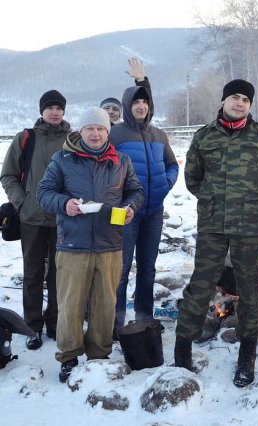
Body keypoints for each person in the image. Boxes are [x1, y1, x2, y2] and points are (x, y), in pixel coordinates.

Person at [173, 79, 258, 388]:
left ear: (250, 106)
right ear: (224, 100)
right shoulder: (204, 136)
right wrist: (213, 198)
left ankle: (246, 353)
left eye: (245, 100)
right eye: (234, 97)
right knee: (201, 283)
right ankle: (182, 348)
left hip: (249, 226)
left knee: (249, 288)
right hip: (213, 223)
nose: (239, 103)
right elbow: (193, 178)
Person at [36, 107, 143, 382]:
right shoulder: (62, 160)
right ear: (80, 132)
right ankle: (69, 356)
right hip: (73, 244)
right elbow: (43, 193)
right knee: (70, 304)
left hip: (110, 244)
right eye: (89, 129)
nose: (95, 134)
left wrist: (131, 207)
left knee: (105, 303)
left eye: (100, 129)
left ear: (107, 131)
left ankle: (99, 355)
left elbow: (135, 191)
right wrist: (65, 204)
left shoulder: (121, 161)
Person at [0, 89, 71, 350]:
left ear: (64, 111)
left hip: (64, 218)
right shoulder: (25, 138)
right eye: (50, 107)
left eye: (59, 107)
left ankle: (55, 322)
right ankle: (33, 325)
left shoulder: (73, 139)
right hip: (31, 218)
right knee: (32, 273)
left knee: (59, 274)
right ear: (42, 111)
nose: (54, 112)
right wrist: (23, 202)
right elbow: (8, 175)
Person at [109, 74, 179, 334]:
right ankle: (115, 322)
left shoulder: (159, 135)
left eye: (145, 102)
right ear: (128, 106)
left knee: (147, 266)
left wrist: (165, 184)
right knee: (120, 267)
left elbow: (172, 164)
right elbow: (104, 170)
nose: (141, 106)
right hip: (123, 212)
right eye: (136, 102)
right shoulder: (115, 134)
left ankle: (144, 318)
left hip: (153, 212)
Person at [100, 57, 152, 126]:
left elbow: (146, 115)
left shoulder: (122, 130)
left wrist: (142, 81)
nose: (110, 112)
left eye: (115, 109)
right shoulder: (90, 132)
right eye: (107, 108)